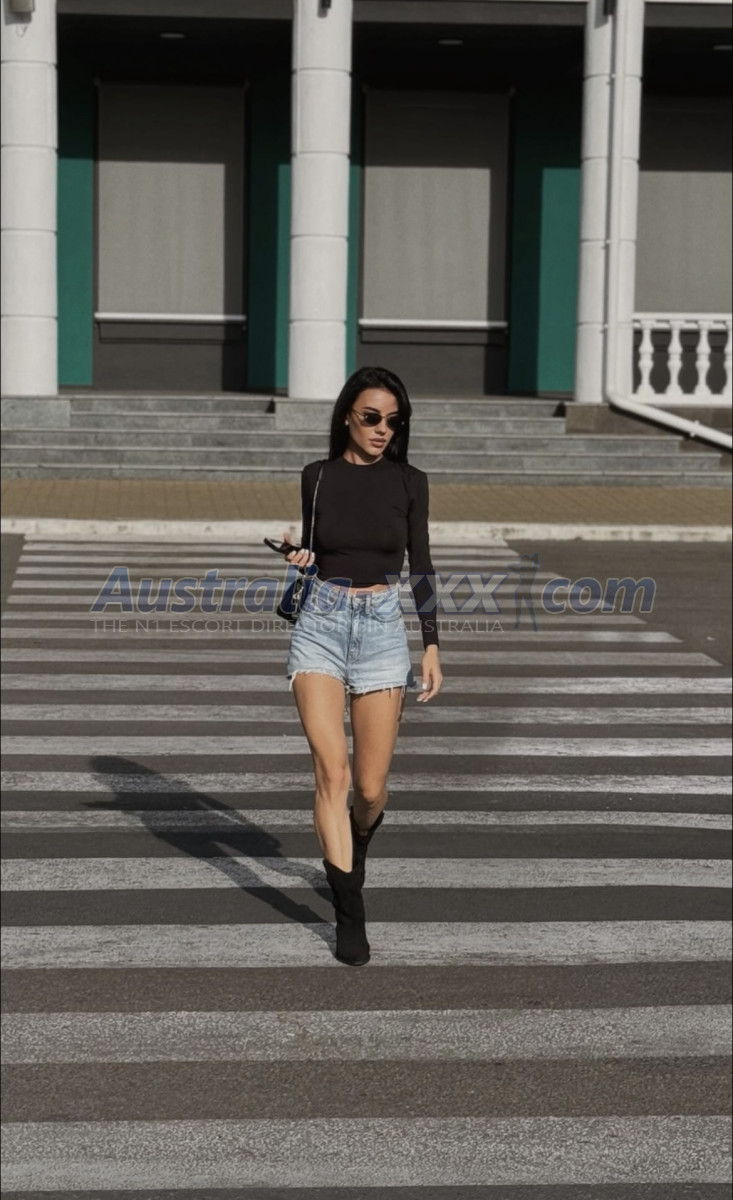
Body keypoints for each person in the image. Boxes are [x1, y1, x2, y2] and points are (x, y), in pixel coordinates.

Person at [280, 365, 443, 966]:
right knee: (333, 771)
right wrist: (299, 557)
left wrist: (431, 644)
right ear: (347, 414)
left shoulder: (410, 482)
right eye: (371, 417)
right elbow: (314, 551)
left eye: (393, 421)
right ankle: (349, 910)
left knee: (369, 791)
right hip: (320, 626)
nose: (382, 429)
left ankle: (358, 840)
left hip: (380, 629)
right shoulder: (317, 476)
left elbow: (421, 564)